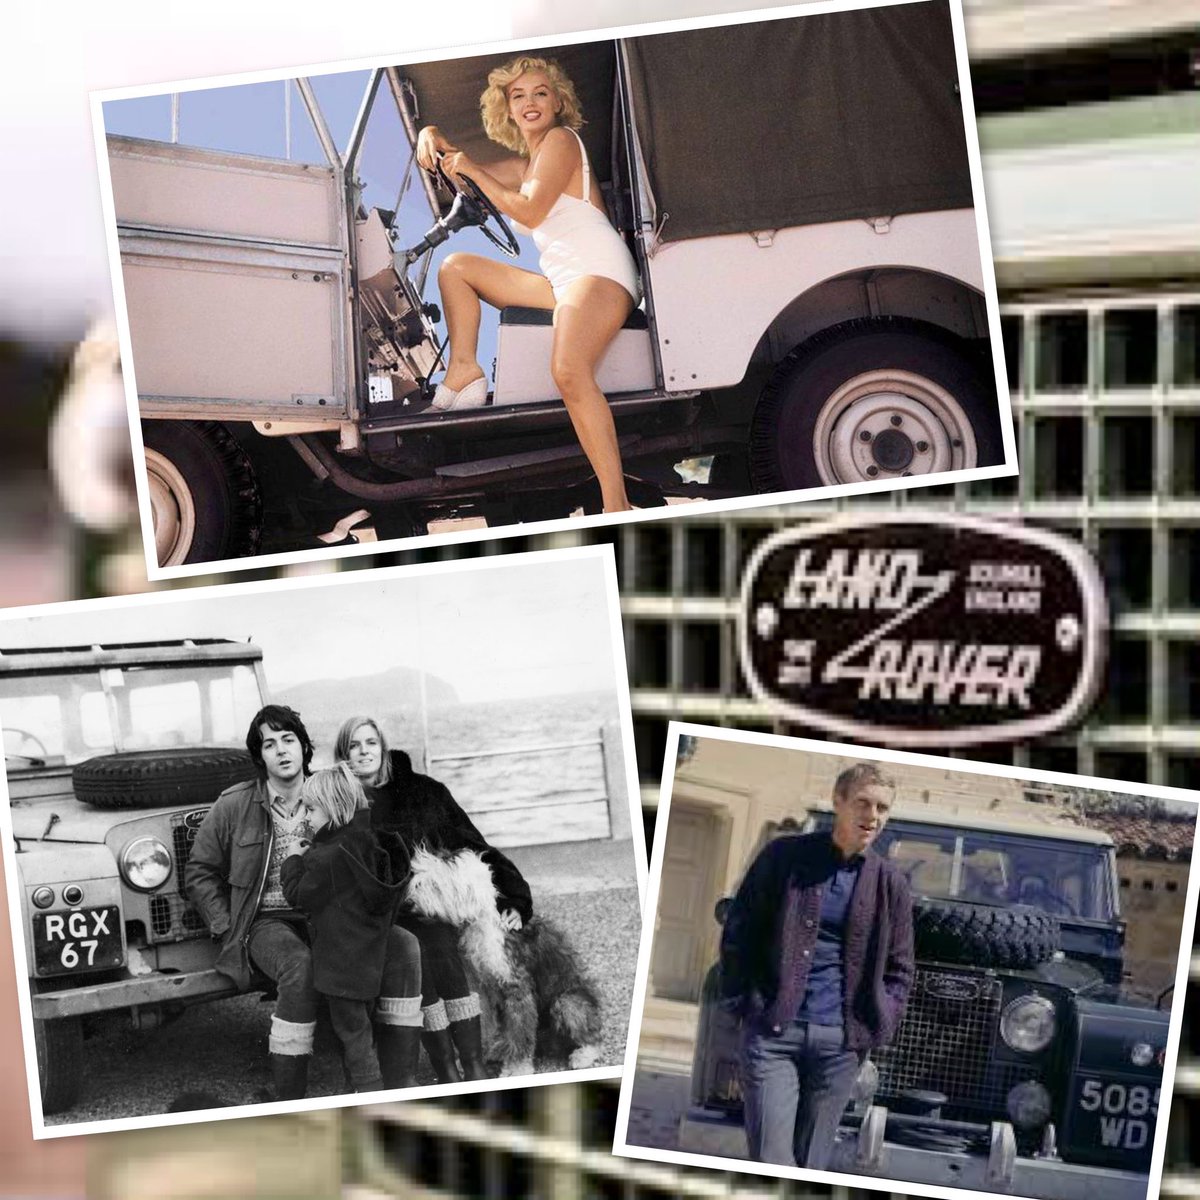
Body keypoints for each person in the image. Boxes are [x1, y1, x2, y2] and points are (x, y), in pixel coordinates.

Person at [415, 55, 642, 513]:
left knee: (569, 371)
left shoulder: (561, 140)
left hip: (598, 270)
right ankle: (464, 371)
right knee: (455, 267)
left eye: (540, 92)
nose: (530, 102)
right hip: (563, 281)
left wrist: (474, 171)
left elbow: (530, 210)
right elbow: (460, 168)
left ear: (557, 101)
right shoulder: (526, 163)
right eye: (518, 96)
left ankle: (616, 507)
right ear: (508, 109)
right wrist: (431, 134)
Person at [185, 705, 419, 1101]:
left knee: (404, 947)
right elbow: (199, 871)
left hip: (333, 914)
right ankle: (290, 1097)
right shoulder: (234, 805)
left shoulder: (330, 789)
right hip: (267, 921)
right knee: (299, 965)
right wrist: (226, 927)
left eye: (288, 739)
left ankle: (399, 1083)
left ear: (304, 745)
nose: (281, 750)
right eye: (269, 744)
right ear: (259, 756)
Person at [719, 762, 915, 1169]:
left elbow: (900, 968)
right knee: (772, 1158)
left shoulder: (890, 883)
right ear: (838, 802)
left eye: (882, 808)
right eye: (862, 803)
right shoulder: (784, 858)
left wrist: (879, 1021)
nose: (872, 816)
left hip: (841, 1047)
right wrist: (745, 1002)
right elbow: (739, 932)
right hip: (774, 1033)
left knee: (812, 1162)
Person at [334, 715, 533, 1082]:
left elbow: (472, 843)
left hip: (426, 904)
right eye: (354, 746)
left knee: (439, 941)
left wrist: (516, 898)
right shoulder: (340, 801)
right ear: (343, 754)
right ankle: (445, 1066)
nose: (364, 752)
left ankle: (470, 1063)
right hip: (379, 913)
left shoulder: (422, 791)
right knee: (414, 951)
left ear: (383, 747)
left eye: (370, 743)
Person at [280, 764, 423, 1093]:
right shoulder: (365, 843)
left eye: (311, 809)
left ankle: (369, 1092)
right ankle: (362, 1087)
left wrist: (293, 859)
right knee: (363, 1028)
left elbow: (298, 896)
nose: (306, 817)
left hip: (340, 966)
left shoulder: (326, 857)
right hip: (367, 959)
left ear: (333, 809)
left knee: (353, 1036)